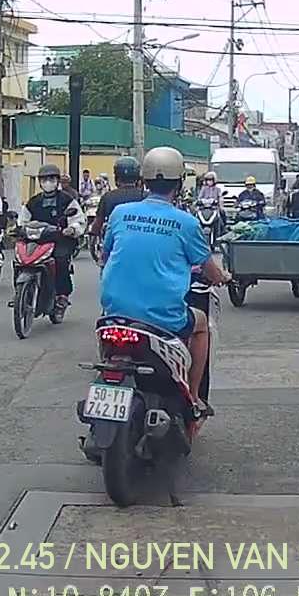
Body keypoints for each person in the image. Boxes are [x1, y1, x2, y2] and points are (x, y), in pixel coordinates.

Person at [100, 147, 230, 411]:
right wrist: (223, 277)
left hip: (114, 311)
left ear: (145, 180)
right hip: (162, 317)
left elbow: (106, 255)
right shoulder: (186, 222)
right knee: (202, 326)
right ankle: (194, 397)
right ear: (179, 183)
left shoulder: (120, 213)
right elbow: (210, 271)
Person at [18, 165, 86, 312]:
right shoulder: (33, 202)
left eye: (51, 179)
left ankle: (62, 295)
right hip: (36, 239)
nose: (48, 182)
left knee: (60, 260)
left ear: (57, 181)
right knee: (19, 260)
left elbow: (78, 220)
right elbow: (23, 220)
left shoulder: (67, 200)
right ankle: (19, 293)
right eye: (44, 180)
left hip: (60, 239)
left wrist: (72, 229)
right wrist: (18, 229)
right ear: (40, 182)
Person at [90, 156, 146, 239]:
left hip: (115, 241)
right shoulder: (145, 196)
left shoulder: (108, 197)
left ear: (116, 177)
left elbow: (97, 225)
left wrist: (92, 233)